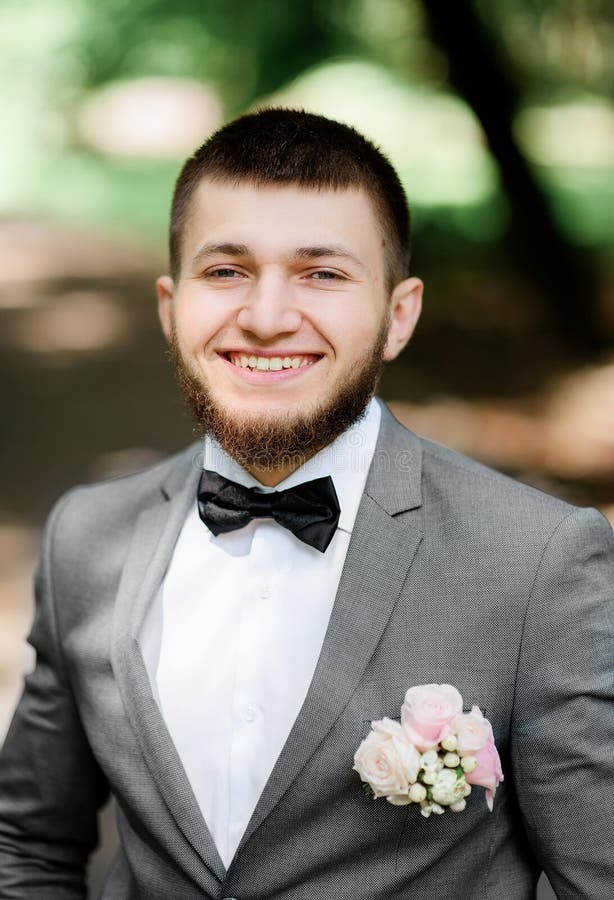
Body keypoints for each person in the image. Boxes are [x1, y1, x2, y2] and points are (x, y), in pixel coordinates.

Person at [0, 107, 612, 900]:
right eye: (225, 271)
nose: (265, 317)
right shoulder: (88, 536)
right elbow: (28, 844)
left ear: (398, 316)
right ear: (169, 305)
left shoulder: (537, 562)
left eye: (322, 273)